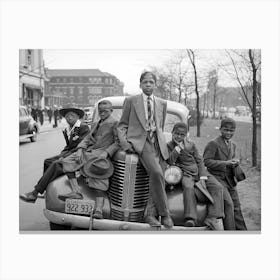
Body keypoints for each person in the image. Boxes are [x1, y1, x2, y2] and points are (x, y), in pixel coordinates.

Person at [117, 71, 173, 229]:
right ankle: (165, 214)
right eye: (145, 82)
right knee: (156, 173)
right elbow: (122, 125)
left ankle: (150, 215)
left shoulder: (162, 103)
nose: (148, 85)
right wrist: (125, 143)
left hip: (158, 143)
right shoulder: (131, 101)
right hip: (142, 141)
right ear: (140, 84)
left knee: (157, 178)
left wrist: (161, 141)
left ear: (155, 84)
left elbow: (160, 126)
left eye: (151, 82)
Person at [57, 100, 119, 219]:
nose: (102, 113)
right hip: (88, 152)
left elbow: (117, 142)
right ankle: (76, 192)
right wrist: (80, 149)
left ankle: (99, 210)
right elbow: (87, 138)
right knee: (67, 161)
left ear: (111, 111)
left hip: (100, 154)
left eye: (105, 111)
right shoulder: (95, 123)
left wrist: (106, 153)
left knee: (98, 177)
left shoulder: (115, 123)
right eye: (100, 111)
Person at [20, 107, 90, 203]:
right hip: (70, 153)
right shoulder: (68, 129)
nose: (69, 118)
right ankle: (45, 189)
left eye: (72, 116)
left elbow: (81, 147)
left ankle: (35, 193)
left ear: (78, 117)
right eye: (67, 116)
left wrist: (63, 157)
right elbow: (68, 146)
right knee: (47, 161)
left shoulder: (83, 127)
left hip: (78, 156)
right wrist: (62, 154)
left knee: (56, 164)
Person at [167, 122, 226, 230]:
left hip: (199, 172)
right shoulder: (169, 146)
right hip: (185, 173)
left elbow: (199, 161)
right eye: (177, 134)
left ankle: (212, 217)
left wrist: (203, 177)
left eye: (182, 135)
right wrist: (178, 148)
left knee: (217, 187)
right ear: (172, 133)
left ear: (186, 135)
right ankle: (191, 218)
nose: (179, 137)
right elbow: (170, 161)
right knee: (188, 187)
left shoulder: (191, 144)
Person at [203, 118, 247, 230]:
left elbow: (230, 159)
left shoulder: (233, 145)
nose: (228, 133)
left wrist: (234, 162)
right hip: (216, 178)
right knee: (229, 204)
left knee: (236, 206)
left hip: (229, 179)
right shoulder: (213, 143)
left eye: (231, 131)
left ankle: (242, 231)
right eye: (226, 130)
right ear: (220, 129)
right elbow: (207, 161)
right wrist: (226, 163)